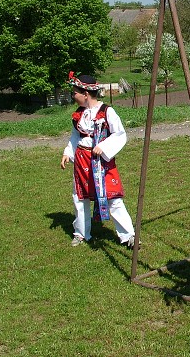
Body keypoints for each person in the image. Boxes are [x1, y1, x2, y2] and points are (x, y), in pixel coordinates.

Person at [60, 72, 137, 248]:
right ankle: (81, 233)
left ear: (85, 94)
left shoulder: (106, 111)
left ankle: (128, 236)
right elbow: (75, 136)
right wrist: (67, 152)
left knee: (113, 198)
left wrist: (105, 146)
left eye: (75, 93)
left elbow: (120, 134)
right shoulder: (78, 115)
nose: (73, 96)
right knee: (80, 198)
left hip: (101, 161)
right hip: (82, 161)